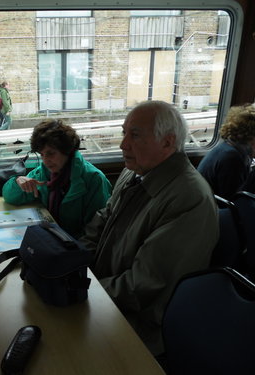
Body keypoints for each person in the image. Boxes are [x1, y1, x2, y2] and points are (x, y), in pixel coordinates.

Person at [79, 100, 219, 357]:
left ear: (167, 143)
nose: (123, 144)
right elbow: (102, 220)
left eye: (134, 135)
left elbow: (143, 286)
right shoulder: (133, 172)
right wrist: (76, 263)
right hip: (104, 294)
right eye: (124, 133)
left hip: (138, 323)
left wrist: (83, 289)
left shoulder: (189, 198)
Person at [2, 119, 112, 239]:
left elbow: (96, 232)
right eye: (42, 154)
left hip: (75, 245)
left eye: (51, 153)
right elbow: (9, 197)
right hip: (53, 238)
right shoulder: (44, 173)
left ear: (67, 151)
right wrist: (18, 182)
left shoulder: (94, 180)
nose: (45, 161)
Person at [197, 103, 255, 200]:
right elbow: (234, 201)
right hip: (214, 212)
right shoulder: (232, 158)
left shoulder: (227, 148)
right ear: (251, 136)